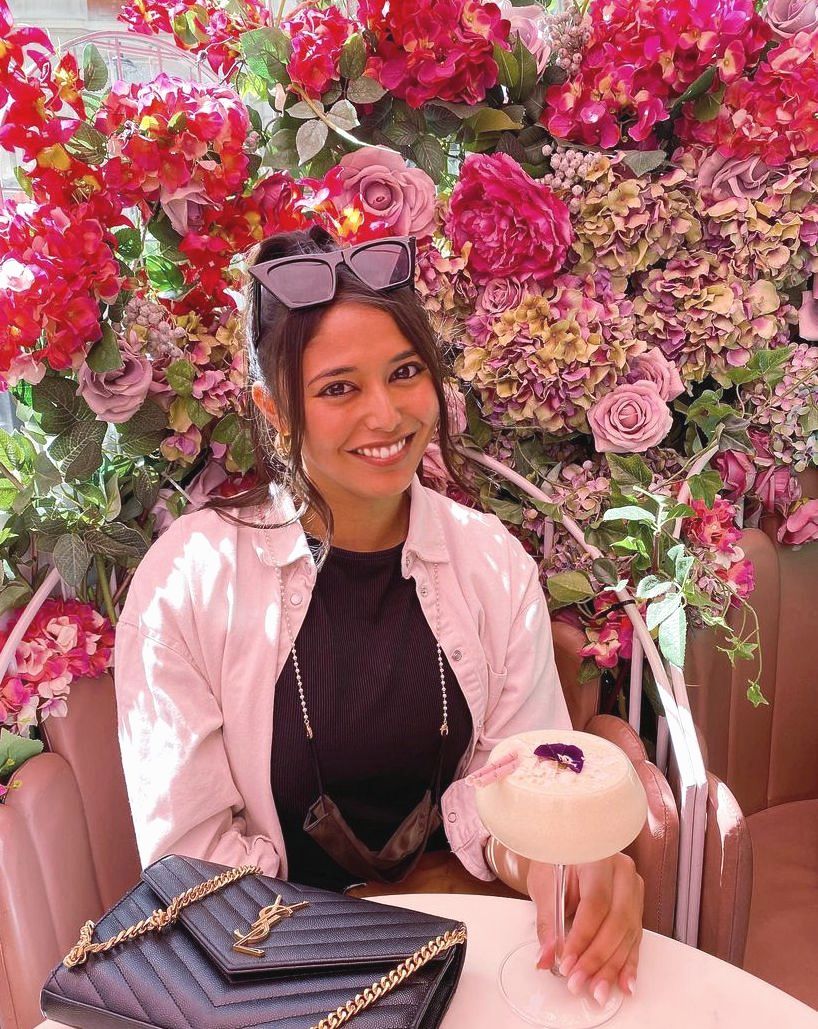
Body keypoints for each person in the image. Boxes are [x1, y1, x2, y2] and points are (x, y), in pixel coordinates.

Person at [115, 225, 643, 1007]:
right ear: (274, 408)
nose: (386, 414)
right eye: (339, 388)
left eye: (404, 372)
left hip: (465, 966)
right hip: (273, 984)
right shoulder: (186, 585)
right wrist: (385, 919)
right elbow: (191, 870)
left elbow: (518, 782)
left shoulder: (490, 562)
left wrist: (561, 862)